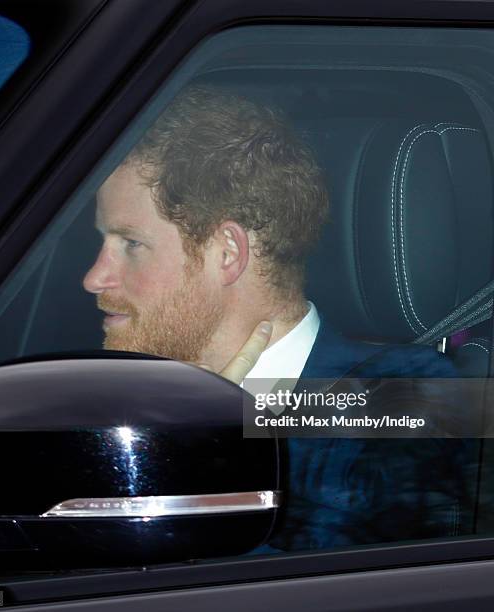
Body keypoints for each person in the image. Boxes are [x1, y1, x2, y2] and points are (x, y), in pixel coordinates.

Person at [83, 85, 475, 551]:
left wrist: (205, 458)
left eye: (131, 244)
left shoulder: (406, 400)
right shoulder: (117, 395)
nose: (94, 277)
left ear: (227, 253)